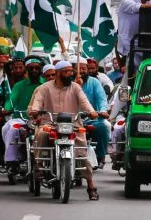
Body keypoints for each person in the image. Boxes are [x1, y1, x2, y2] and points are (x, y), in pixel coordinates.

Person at [28, 60, 100, 200]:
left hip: (73, 124)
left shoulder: (75, 88)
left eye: (71, 71)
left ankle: (91, 186)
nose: (70, 74)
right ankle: (40, 165)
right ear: (58, 73)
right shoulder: (44, 88)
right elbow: (37, 102)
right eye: (67, 72)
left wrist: (91, 112)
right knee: (41, 133)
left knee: (82, 152)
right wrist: (35, 111)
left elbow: (84, 102)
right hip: (50, 123)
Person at [2, 57, 45, 170]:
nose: (34, 70)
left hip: (42, 119)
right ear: (27, 70)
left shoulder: (46, 84)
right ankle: (11, 161)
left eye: (37, 68)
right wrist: (7, 108)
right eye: (31, 68)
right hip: (21, 118)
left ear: (41, 69)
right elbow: (11, 99)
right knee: (10, 128)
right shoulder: (19, 85)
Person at [76, 58, 111, 169]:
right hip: (72, 120)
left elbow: (101, 99)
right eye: (78, 69)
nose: (81, 71)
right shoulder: (68, 83)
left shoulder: (94, 82)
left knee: (103, 126)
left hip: (92, 118)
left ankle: (100, 156)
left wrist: (102, 111)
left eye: (84, 69)